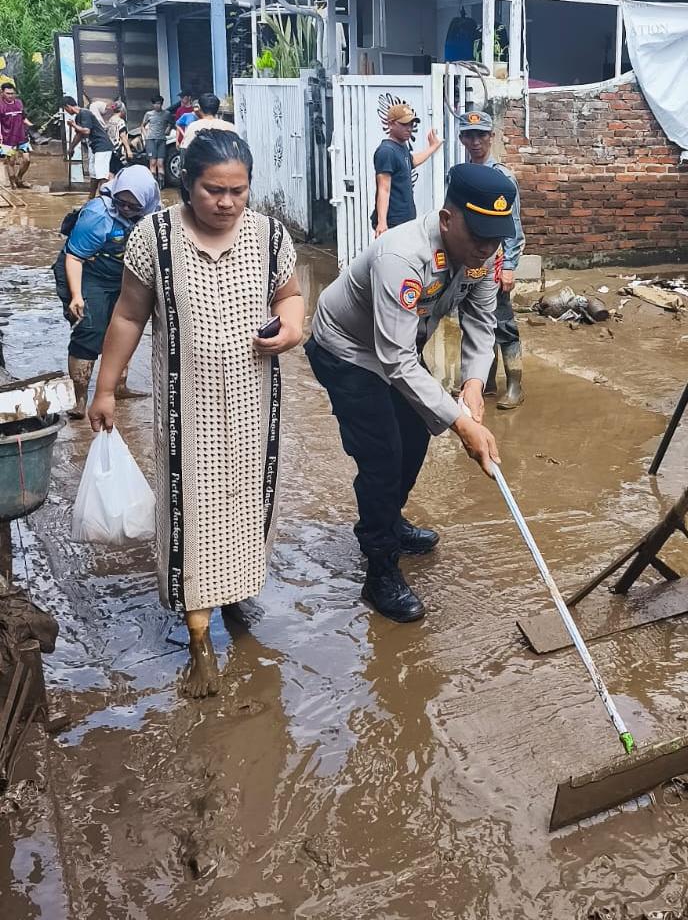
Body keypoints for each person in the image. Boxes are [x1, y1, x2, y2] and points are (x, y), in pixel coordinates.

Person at [88, 130, 305, 700]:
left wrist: (292, 324)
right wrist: (105, 388)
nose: (228, 202)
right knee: (192, 513)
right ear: (187, 184)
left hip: (254, 407)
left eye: (239, 191)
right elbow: (129, 317)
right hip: (189, 413)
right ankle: (200, 642)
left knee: (244, 504)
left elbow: (288, 296)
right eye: (214, 190)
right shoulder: (153, 237)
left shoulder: (269, 236)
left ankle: (234, 591)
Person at [305, 162, 517, 623]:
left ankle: (388, 518)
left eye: (495, 236)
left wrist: (473, 386)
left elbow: (480, 323)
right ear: (446, 219)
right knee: (382, 454)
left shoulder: (482, 256)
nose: (486, 247)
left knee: (418, 434)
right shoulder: (403, 257)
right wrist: (461, 423)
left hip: (398, 346)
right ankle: (379, 567)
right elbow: (394, 359)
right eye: (478, 234)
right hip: (348, 349)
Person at [53, 166, 161, 419]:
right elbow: (75, 257)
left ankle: (118, 387)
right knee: (88, 328)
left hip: (122, 275)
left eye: (133, 206)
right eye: (121, 202)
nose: (125, 209)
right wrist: (77, 295)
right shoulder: (98, 214)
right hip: (86, 271)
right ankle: (79, 399)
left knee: (124, 327)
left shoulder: (154, 215)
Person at [459, 110, 526, 409]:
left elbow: (513, 227)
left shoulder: (502, 177)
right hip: (467, 263)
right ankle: (485, 381)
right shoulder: (459, 174)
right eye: (469, 135)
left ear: (491, 137)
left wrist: (509, 267)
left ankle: (515, 386)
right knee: (473, 322)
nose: (475, 142)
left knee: (503, 323)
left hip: (494, 262)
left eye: (481, 135)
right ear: (462, 138)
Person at [371, 102, 443, 238]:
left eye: (411, 124)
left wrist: (432, 147)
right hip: (393, 222)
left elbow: (412, 161)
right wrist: (382, 223)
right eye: (404, 124)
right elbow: (383, 189)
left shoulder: (401, 147)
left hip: (405, 219)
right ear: (391, 124)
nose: (409, 128)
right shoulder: (386, 151)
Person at [63, 96, 114, 198]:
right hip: (95, 148)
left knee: (101, 175)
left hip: (102, 146)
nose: (67, 112)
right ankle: (91, 198)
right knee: (94, 174)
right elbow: (79, 135)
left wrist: (73, 125)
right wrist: (71, 148)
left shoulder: (85, 113)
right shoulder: (78, 117)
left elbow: (86, 131)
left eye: (65, 109)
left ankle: (104, 199)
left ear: (68, 106)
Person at [0, 81, 32, 187]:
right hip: (7, 139)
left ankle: (19, 179)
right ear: (2, 93)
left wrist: (31, 125)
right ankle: (13, 184)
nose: (11, 96)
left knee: (27, 160)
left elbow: (23, 117)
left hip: (22, 137)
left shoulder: (19, 103)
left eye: (12, 93)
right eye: (8, 93)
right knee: (11, 161)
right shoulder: (1, 105)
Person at [142, 94, 170, 188]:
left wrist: (168, 129)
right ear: (153, 104)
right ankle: (153, 185)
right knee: (152, 163)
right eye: (155, 104)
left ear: (161, 104)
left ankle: (161, 184)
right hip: (151, 140)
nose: (157, 106)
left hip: (161, 139)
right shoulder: (148, 114)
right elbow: (142, 125)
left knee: (160, 163)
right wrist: (146, 135)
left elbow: (171, 123)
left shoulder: (166, 114)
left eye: (159, 104)